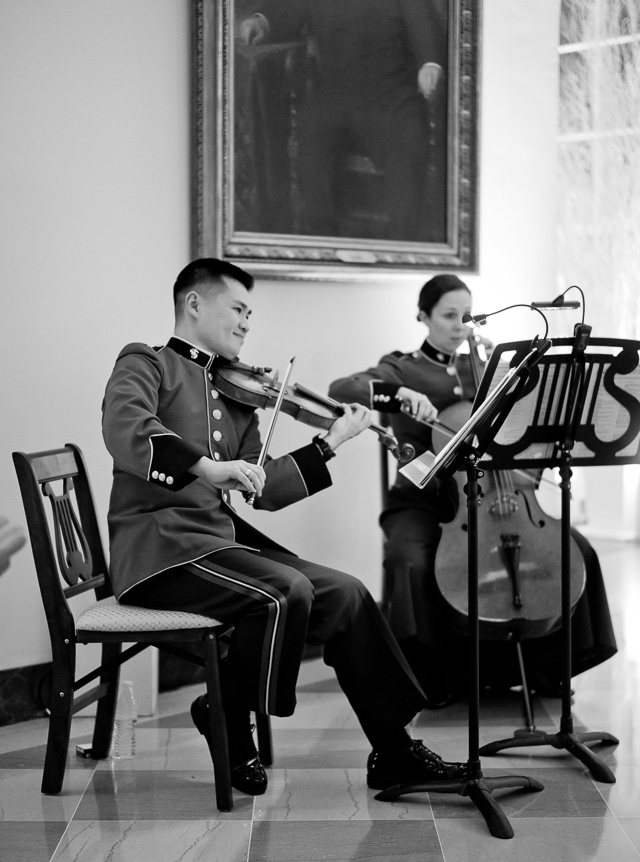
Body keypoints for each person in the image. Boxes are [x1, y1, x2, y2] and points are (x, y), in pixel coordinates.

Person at [101, 258, 467, 797]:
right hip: (160, 553)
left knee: (346, 593)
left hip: (219, 546)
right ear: (195, 304)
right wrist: (206, 466)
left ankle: (394, 749)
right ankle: (226, 713)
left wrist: (332, 441)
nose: (248, 322)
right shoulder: (146, 362)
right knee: (283, 591)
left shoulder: (234, 388)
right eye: (239, 309)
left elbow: (263, 489)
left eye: (252, 313)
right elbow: (126, 427)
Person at [328, 274, 617, 706]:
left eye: (465, 314)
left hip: (504, 494)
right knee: (412, 561)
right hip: (423, 501)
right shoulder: (402, 366)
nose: (459, 324)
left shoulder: (488, 362)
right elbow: (341, 390)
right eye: (447, 315)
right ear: (422, 317)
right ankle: (432, 675)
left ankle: (548, 667)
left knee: (574, 548)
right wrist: (399, 394)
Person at [238, 0, 447, 241]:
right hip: (333, 93)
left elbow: (422, 21)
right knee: (312, 154)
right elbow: (291, 6)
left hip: (392, 93)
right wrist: (262, 21)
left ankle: (400, 249)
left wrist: (430, 63)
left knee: (408, 150)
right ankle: (322, 245)